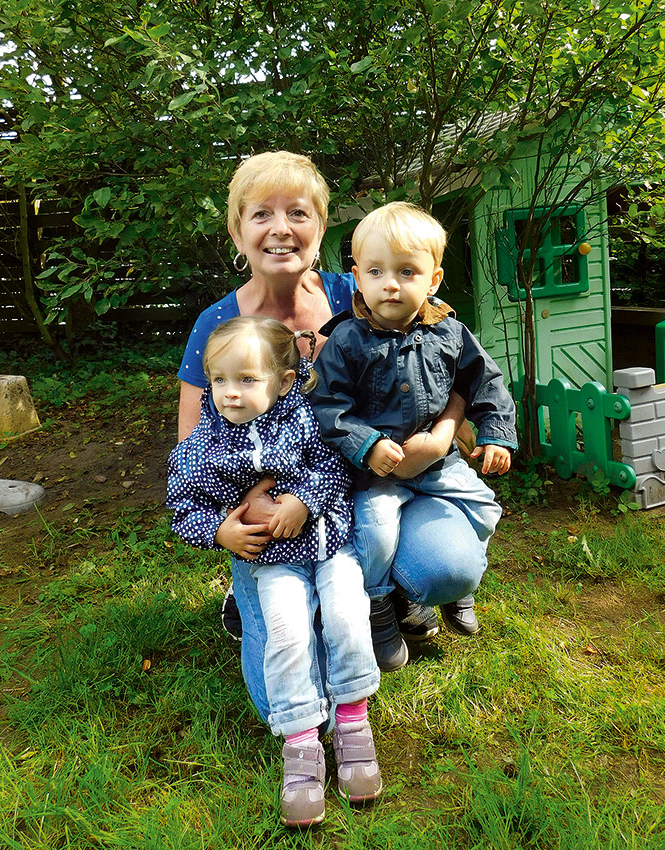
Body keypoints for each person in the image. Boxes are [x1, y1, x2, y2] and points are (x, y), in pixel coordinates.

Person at [176, 150, 487, 719]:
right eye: (260, 214)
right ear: (237, 232)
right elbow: (192, 443)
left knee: (445, 567)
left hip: (377, 480)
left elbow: (455, 359)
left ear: (322, 228)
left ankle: (389, 587)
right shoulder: (217, 325)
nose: (280, 228)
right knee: (286, 687)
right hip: (273, 506)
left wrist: (445, 432)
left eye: (298, 212)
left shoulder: (370, 284)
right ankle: (259, 590)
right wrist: (236, 507)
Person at [168, 317, 382, 827]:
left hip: (332, 546)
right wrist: (220, 531)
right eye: (219, 380)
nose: (229, 393)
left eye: (247, 379)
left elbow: (336, 465)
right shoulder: (203, 445)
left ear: (284, 381)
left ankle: (353, 722)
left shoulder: (307, 418)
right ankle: (302, 744)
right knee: (285, 639)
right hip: (273, 561)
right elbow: (182, 507)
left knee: (348, 618)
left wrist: (305, 502)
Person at [310, 202, 518, 671]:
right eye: (377, 271)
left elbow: (486, 381)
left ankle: (458, 590)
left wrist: (497, 435)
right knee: (376, 532)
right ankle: (380, 607)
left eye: (407, 271)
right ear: (357, 276)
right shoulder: (346, 340)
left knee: (486, 507)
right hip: (377, 472)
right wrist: (365, 444)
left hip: (438, 462)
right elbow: (327, 405)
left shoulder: (450, 332)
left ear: (434, 279)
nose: (391, 284)